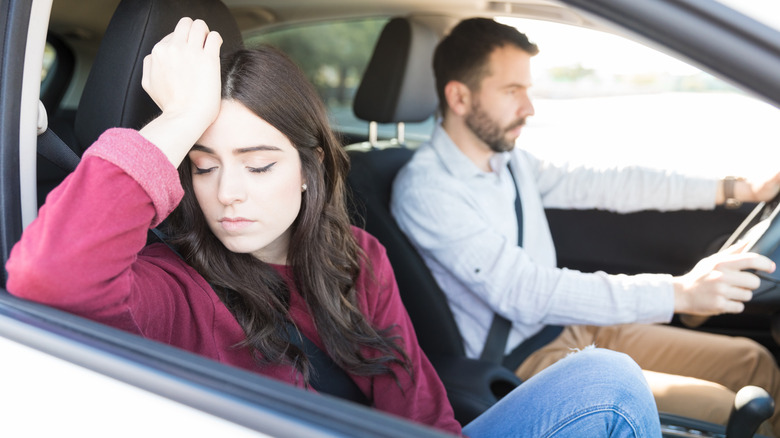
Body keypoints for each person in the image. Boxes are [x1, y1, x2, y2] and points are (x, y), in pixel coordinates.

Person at [5, 17, 662, 438]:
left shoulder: (358, 260)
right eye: (201, 168)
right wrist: (175, 123)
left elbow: (422, 413)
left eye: (259, 165)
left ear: (308, 167)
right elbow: (45, 275)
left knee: (605, 378)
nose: (228, 194)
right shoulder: (171, 287)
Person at [390, 16, 780, 436]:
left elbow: (611, 183)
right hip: (524, 359)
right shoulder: (428, 191)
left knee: (754, 361)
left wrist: (736, 188)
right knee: (724, 407)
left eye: (528, 89)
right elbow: (526, 292)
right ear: (459, 97)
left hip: (575, 326)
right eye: (512, 91)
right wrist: (680, 292)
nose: (530, 106)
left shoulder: (508, 162)